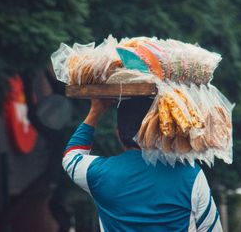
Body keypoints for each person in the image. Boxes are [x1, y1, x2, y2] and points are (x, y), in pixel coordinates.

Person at [62, 97, 223, 231]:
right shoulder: (191, 175)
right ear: (160, 131)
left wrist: (95, 111)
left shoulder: (99, 174)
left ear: (118, 134)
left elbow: (71, 157)